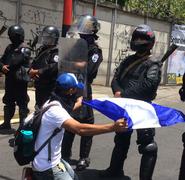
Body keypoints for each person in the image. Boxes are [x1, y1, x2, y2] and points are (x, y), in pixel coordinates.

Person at [32, 72, 127, 180]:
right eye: (76, 89)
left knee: (74, 177)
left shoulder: (51, 102)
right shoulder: (56, 111)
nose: (77, 92)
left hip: (53, 159)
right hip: (46, 167)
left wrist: (79, 102)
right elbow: (80, 129)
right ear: (71, 90)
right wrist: (113, 127)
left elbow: (68, 108)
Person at [99, 24, 162, 180]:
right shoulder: (128, 60)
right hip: (125, 106)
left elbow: (148, 86)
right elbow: (116, 78)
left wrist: (124, 93)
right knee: (121, 139)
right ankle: (114, 171)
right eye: (136, 38)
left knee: (147, 145)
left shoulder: (153, 63)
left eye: (141, 38)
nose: (138, 41)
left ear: (149, 42)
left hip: (142, 107)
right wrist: (118, 91)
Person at [61, 14, 103, 171]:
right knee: (69, 124)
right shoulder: (76, 47)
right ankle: (64, 156)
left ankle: (84, 157)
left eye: (86, 29)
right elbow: (64, 64)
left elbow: (89, 70)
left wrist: (74, 63)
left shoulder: (95, 51)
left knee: (86, 123)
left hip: (84, 89)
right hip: (70, 88)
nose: (83, 32)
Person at [0, 24, 31, 130]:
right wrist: (2, 66)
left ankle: (23, 126)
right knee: (8, 101)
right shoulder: (9, 47)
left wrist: (5, 66)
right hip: (10, 79)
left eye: (14, 36)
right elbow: (3, 60)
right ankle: (6, 123)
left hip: (20, 81)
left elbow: (15, 61)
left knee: (22, 103)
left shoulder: (25, 49)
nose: (12, 38)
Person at [29, 25, 59, 109]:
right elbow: (35, 61)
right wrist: (31, 71)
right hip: (39, 85)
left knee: (47, 108)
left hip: (49, 86)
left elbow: (53, 67)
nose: (45, 40)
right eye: (44, 37)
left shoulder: (56, 51)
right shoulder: (42, 50)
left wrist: (38, 71)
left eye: (47, 38)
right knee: (38, 107)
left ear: (54, 38)